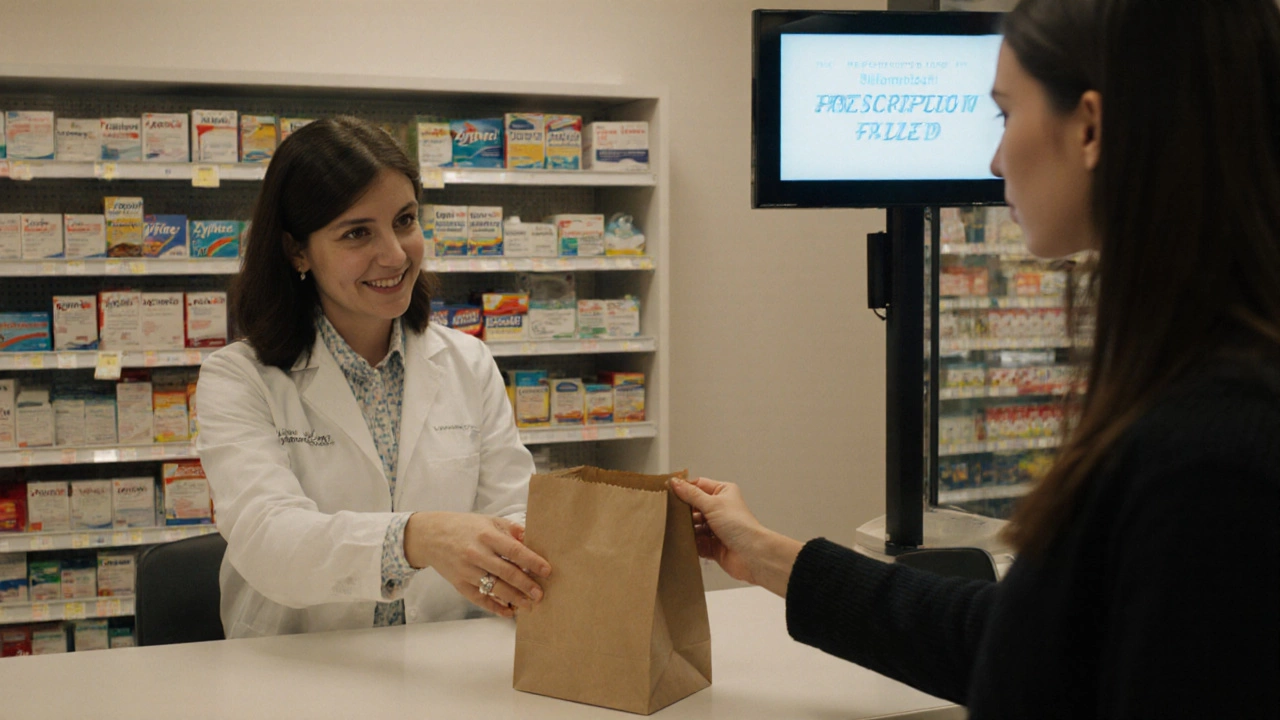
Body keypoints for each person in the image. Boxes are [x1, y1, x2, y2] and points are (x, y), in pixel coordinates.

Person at [672, 0, 1280, 716]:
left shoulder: (1209, 453)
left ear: (1089, 126)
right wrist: (771, 557)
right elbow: (1029, 643)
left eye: (1003, 113)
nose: (993, 160)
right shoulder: (1198, 395)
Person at [196, 116, 549, 639]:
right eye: (357, 232)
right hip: (298, 668)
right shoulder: (239, 378)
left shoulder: (468, 363)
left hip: (449, 660)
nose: (394, 253)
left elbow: (515, 514)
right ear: (297, 250)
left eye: (404, 220)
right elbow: (268, 539)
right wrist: (416, 537)